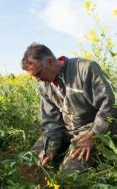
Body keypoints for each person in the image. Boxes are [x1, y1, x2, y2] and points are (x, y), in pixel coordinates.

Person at [21, 43, 116, 173]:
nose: (37, 79)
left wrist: (93, 136)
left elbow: (110, 105)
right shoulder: (44, 85)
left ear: (49, 61)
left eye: (37, 73)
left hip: (90, 129)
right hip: (66, 130)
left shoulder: (85, 69)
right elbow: (51, 121)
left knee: (68, 175)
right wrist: (50, 149)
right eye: (33, 76)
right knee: (29, 162)